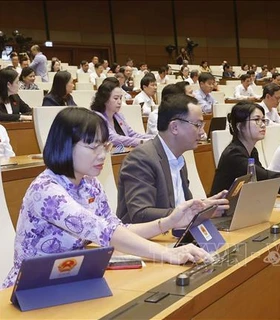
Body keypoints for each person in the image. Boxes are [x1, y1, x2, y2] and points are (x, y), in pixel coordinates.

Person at [1, 107, 213, 289]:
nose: (102, 155)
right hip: (30, 288)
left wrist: (168, 222)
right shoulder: (46, 190)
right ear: (65, 145)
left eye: (105, 146)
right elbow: (105, 233)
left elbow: (116, 228)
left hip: (71, 279)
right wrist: (168, 254)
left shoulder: (90, 183)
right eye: (93, 147)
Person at [117, 94, 228, 223]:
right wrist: (197, 210)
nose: (202, 132)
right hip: (147, 239)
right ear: (174, 127)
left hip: (174, 235)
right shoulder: (141, 159)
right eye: (198, 125)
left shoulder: (178, 158)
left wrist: (204, 205)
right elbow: (141, 214)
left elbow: (180, 206)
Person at [91, 81, 154, 147]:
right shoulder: (97, 118)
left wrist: (153, 137)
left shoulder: (118, 116)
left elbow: (132, 134)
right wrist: (141, 141)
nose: (119, 102)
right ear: (104, 99)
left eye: (120, 98)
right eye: (116, 98)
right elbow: (113, 139)